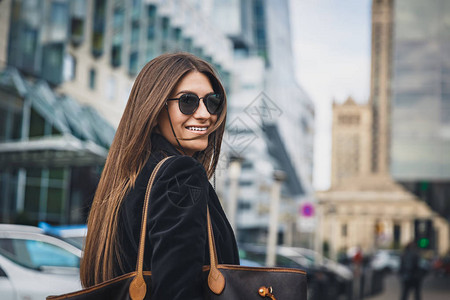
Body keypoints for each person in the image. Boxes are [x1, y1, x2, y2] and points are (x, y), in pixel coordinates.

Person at [80, 52, 240, 299]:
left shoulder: (127, 178)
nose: (205, 114)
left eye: (212, 101)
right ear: (154, 111)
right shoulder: (181, 174)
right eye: (188, 101)